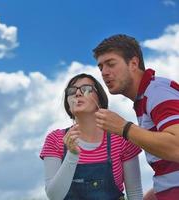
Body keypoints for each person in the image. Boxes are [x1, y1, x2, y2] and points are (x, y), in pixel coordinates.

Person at [93, 34, 179, 200]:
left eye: (111, 64)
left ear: (133, 63)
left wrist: (124, 128)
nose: (104, 72)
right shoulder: (145, 98)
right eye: (101, 67)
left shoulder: (157, 91)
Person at [40, 73, 143, 200]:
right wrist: (72, 155)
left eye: (87, 89)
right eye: (71, 91)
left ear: (99, 98)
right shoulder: (55, 139)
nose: (77, 94)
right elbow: (54, 196)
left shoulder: (121, 139)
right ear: (67, 102)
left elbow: (135, 194)